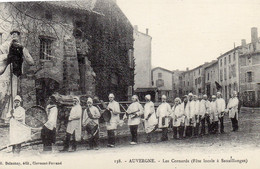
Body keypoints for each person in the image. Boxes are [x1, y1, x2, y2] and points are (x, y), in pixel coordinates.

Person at [0, 29, 34, 121]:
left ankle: (8, 116)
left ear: (19, 36)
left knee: (13, 94)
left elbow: (31, 62)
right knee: (2, 94)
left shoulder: (22, 47)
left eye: (16, 34)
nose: (14, 36)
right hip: (5, 72)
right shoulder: (5, 45)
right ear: (10, 36)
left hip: (15, 74)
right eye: (12, 34)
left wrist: (23, 51)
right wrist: (7, 57)